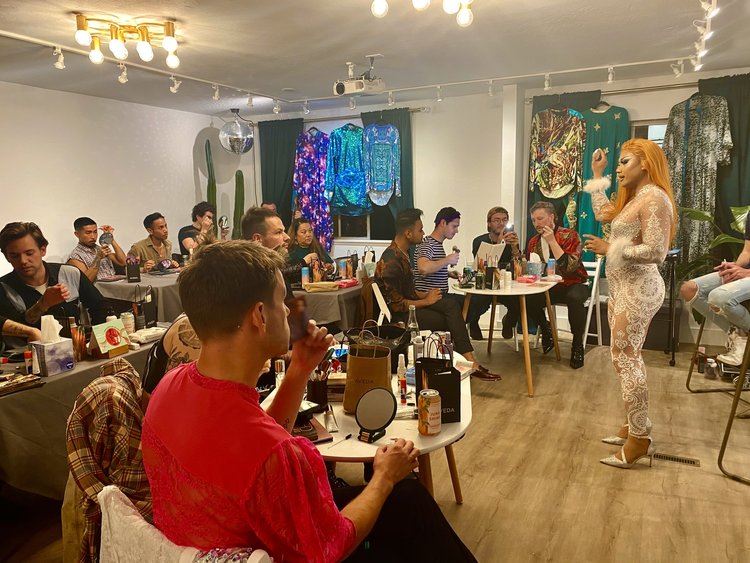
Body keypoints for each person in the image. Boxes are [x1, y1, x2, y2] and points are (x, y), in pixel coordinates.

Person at [141, 241, 476, 561]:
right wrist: (384, 476)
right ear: (260, 315)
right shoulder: (276, 454)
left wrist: (300, 369)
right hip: (269, 554)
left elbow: (250, 446)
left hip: (209, 543)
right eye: (281, 301)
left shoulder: (169, 388)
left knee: (407, 503)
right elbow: (332, 547)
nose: (288, 310)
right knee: (408, 501)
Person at [583, 139, 676, 468]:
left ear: (646, 163)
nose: (619, 169)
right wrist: (598, 175)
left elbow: (657, 251)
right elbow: (603, 213)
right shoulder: (637, 197)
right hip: (623, 288)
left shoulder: (655, 198)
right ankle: (634, 424)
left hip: (640, 288)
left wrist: (610, 248)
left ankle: (639, 439)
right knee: (625, 358)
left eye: (625, 162)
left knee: (626, 358)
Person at [375, 208, 500, 381]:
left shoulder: (402, 255)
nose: (423, 233)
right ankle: (466, 363)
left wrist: (426, 295)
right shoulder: (391, 260)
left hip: (412, 307)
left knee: (453, 311)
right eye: (420, 230)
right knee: (452, 315)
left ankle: (464, 363)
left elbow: (410, 291)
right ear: (408, 233)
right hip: (403, 317)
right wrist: (427, 300)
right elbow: (398, 305)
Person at [0, 222, 107, 340]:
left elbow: (101, 309)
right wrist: (43, 304)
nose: (23, 261)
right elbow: (13, 328)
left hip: (75, 347)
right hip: (27, 350)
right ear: (6, 257)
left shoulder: (69, 273)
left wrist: (96, 341)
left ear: (43, 250)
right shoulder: (3, 287)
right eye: (14, 256)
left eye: (29, 253)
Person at [524, 201, 590, 369]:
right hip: (550, 286)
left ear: (552, 217)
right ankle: (546, 330)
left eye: (540, 218)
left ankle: (577, 345)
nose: (536, 223)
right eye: (533, 220)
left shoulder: (570, 236)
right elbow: (533, 269)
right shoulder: (533, 242)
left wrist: (552, 241)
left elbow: (569, 267)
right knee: (527, 298)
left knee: (574, 298)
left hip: (574, 283)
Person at [680, 212, 750, 366]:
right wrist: (735, 268)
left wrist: (746, 273)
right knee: (689, 289)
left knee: (719, 297)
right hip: (746, 273)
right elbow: (747, 251)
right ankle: (738, 335)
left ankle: (743, 338)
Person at [467, 206, 521, 340]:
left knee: (519, 303)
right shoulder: (479, 241)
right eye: (496, 220)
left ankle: (508, 323)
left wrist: (515, 248)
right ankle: (473, 323)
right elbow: (482, 267)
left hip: (504, 285)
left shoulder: (511, 241)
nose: (501, 223)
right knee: (476, 302)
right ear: (489, 223)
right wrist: (499, 243)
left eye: (504, 220)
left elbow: (518, 269)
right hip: (485, 284)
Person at [413, 207, 462, 295]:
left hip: (440, 296)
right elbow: (423, 268)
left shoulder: (436, 244)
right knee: (472, 301)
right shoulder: (427, 244)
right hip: (430, 298)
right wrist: (447, 260)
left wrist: (447, 273)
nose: (457, 231)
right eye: (454, 226)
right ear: (443, 223)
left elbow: (431, 269)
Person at [67, 217, 127, 282]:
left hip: (115, 283)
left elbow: (123, 262)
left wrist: (110, 237)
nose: (93, 236)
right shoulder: (76, 256)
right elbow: (85, 282)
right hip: (99, 287)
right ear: (77, 234)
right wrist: (98, 258)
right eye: (88, 233)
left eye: (95, 232)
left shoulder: (99, 248)